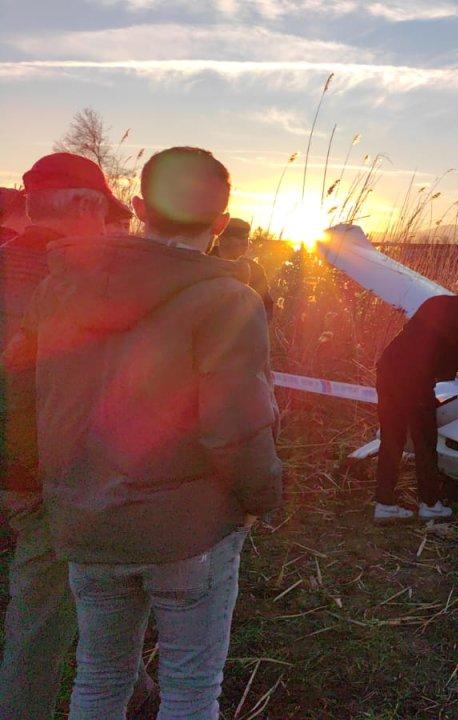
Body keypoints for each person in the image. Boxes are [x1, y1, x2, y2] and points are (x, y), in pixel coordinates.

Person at [6, 146, 282, 719]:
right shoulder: (229, 300)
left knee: (100, 675)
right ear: (221, 222)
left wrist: (45, 491)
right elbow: (235, 429)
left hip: (86, 519)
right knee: (190, 687)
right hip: (190, 529)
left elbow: (22, 399)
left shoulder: (59, 288)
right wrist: (262, 499)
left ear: (136, 206)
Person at [0, 153, 155, 720]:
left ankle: (135, 687)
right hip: (44, 478)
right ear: (87, 207)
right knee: (39, 625)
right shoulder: (81, 286)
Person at [374, 272, 458, 523]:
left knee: (392, 439)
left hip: (388, 370)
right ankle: (430, 503)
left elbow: (450, 349)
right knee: (425, 441)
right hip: (414, 379)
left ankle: (384, 504)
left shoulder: (438, 302)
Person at [212, 217, 274, 319]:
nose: (245, 243)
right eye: (240, 238)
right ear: (223, 239)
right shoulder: (206, 263)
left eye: (246, 238)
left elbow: (266, 306)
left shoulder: (255, 270)